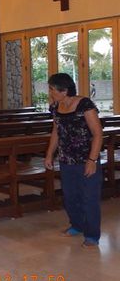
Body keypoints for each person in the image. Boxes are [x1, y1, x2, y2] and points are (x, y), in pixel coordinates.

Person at [44, 73, 103, 248]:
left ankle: (92, 235)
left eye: (52, 89)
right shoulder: (56, 106)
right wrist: (49, 154)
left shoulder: (85, 105)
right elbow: (56, 131)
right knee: (70, 197)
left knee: (89, 198)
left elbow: (98, 134)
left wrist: (92, 160)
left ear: (64, 90)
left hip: (86, 159)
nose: (50, 92)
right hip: (66, 159)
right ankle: (77, 225)